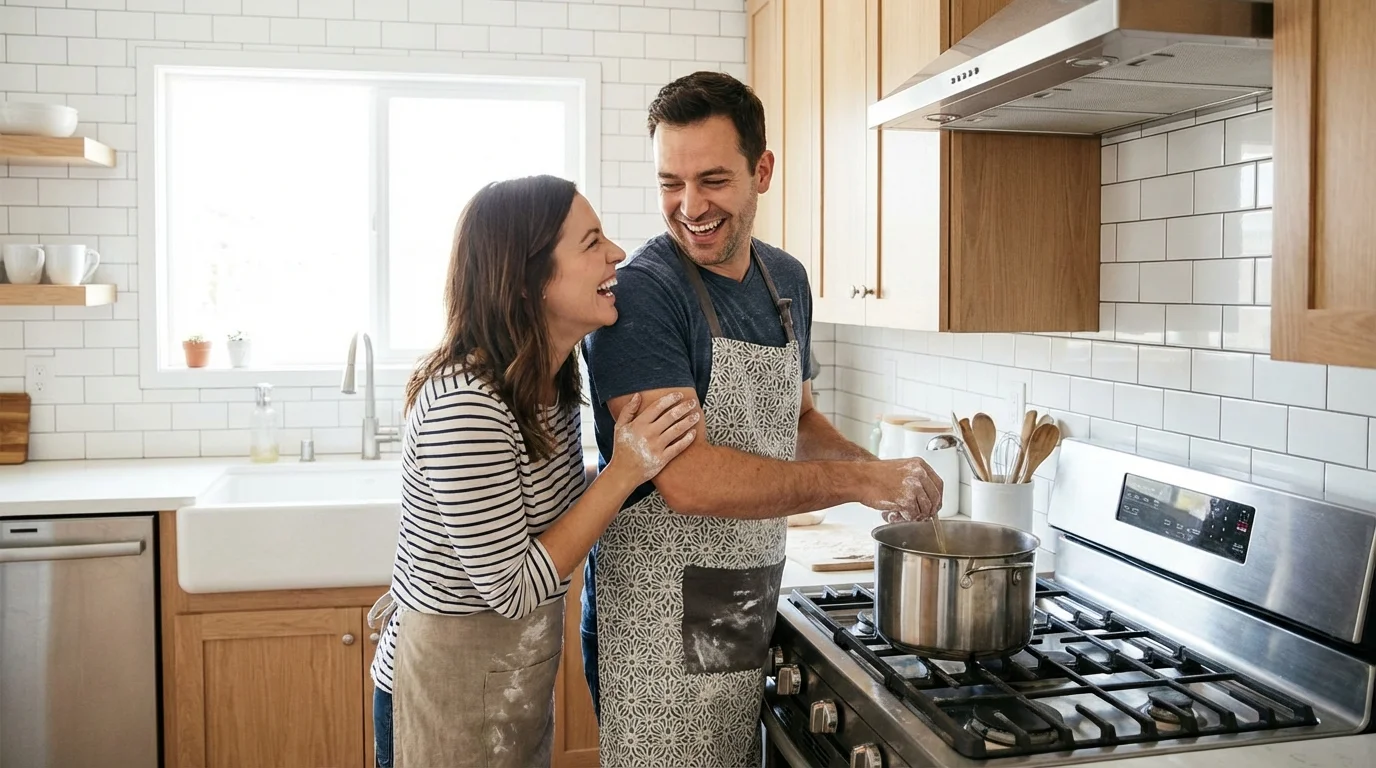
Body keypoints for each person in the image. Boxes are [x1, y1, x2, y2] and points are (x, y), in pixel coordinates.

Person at [580, 72, 944, 766]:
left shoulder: (786, 281)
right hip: (653, 626)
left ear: (763, 171)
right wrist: (861, 484)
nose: (690, 206)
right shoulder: (643, 296)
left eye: (713, 180)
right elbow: (686, 480)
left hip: (745, 599)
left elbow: (798, 414)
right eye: (670, 183)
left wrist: (871, 470)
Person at [366, 175, 701, 768]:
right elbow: (513, 589)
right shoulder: (465, 404)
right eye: (591, 242)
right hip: (445, 693)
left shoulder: (552, 382)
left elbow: (554, 514)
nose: (616, 254)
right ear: (530, 280)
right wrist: (624, 471)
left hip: (508, 685)